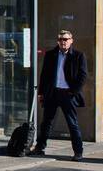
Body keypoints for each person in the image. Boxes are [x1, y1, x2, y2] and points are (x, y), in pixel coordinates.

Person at [30, 29, 88, 160]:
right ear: (58, 41)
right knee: (46, 122)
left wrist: (73, 91)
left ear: (71, 41)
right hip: (53, 92)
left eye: (66, 39)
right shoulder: (51, 54)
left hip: (68, 94)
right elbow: (44, 75)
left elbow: (83, 76)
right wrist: (41, 93)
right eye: (61, 40)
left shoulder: (79, 55)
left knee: (72, 123)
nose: (63, 42)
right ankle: (40, 147)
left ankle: (78, 152)